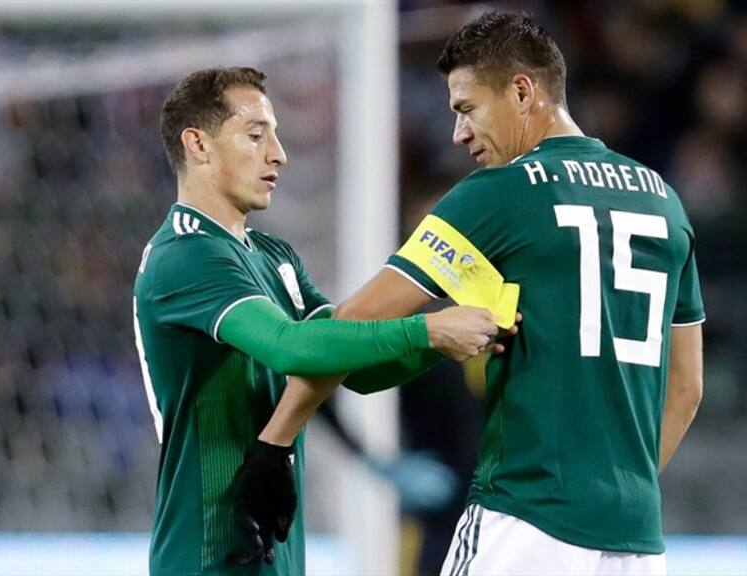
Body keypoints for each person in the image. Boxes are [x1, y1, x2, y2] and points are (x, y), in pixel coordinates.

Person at [243, 11, 705, 575]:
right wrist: (615, 493)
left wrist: (274, 446)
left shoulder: (498, 194)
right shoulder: (664, 200)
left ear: (521, 91)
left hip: (526, 522)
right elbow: (686, 386)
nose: (458, 133)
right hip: (635, 540)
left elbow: (349, 327)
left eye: (466, 109)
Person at [132, 66, 500, 576]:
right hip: (206, 554)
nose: (278, 152)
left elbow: (355, 365)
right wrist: (429, 329)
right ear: (197, 144)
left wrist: (441, 345)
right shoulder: (185, 255)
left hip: (272, 546)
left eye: (276, 134)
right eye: (256, 134)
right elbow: (293, 348)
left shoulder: (273, 256)